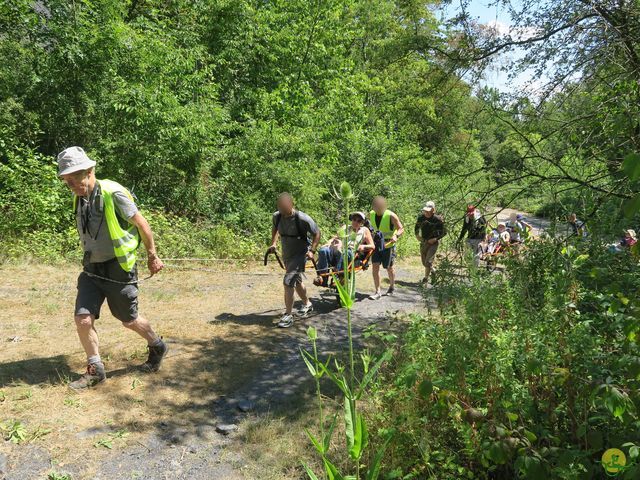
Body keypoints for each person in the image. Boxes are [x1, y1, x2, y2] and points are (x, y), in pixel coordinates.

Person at [57, 146, 167, 390]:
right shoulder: (79, 195)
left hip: (119, 268)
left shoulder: (113, 193)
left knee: (129, 320)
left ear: (90, 170)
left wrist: (152, 256)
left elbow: (142, 224)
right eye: (67, 182)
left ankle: (157, 345)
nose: (73, 186)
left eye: (75, 179)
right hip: (92, 269)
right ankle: (95, 370)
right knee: (83, 319)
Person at [268, 192, 321, 328]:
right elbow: (275, 229)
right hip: (287, 254)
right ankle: (307, 303)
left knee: (288, 281)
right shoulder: (277, 217)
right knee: (296, 281)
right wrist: (273, 243)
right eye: (280, 208)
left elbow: (317, 233)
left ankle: (288, 315)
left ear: (292, 204)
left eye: (285, 208)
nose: (282, 211)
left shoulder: (303, 218)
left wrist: (312, 251)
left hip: (300, 253)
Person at [314, 212, 375, 287]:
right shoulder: (345, 227)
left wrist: (363, 246)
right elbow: (335, 238)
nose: (356, 222)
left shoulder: (364, 230)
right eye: (354, 219)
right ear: (351, 220)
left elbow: (372, 246)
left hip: (351, 252)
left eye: (359, 221)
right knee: (323, 250)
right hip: (337, 249)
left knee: (344, 251)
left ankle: (338, 277)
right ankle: (323, 277)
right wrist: (328, 243)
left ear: (362, 223)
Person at [368, 196, 404, 300]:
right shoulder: (370, 214)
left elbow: (401, 228)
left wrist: (396, 235)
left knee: (389, 268)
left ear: (384, 206)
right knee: (375, 266)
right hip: (376, 245)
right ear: (373, 206)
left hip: (388, 245)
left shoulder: (391, 216)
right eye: (376, 206)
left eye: (380, 206)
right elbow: (366, 226)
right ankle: (377, 291)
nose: (378, 208)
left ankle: (392, 286)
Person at [414, 201, 446, 284]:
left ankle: (425, 278)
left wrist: (435, 239)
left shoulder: (438, 219)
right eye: (425, 211)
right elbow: (416, 227)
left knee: (428, 262)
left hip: (433, 243)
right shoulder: (421, 218)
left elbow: (444, 232)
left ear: (433, 210)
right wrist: (417, 235)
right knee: (424, 263)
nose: (426, 212)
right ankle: (433, 271)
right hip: (424, 242)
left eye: (428, 211)